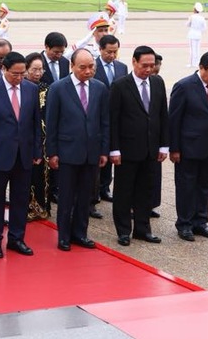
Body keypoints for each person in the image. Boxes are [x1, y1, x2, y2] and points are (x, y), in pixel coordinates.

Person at [0, 52, 42, 259]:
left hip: (24, 154)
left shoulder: (31, 89)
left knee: (20, 199)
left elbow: (34, 124)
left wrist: (37, 151)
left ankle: (16, 238)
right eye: (15, 74)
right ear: (4, 69)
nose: (19, 78)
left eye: (23, 73)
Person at [46, 49, 109, 251]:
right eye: (83, 67)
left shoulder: (100, 88)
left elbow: (104, 122)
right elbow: (51, 123)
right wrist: (52, 152)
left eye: (91, 67)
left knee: (85, 196)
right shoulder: (58, 88)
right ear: (72, 66)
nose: (88, 71)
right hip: (67, 151)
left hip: (91, 151)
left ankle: (80, 233)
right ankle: (63, 236)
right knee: (66, 197)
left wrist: (103, 150)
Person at [109, 45, 169, 247]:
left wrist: (164, 145)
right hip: (127, 150)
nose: (149, 69)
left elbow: (162, 115)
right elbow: (113, 120)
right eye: (144, 65)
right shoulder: (120, 85)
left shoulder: (158, 83)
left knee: (146, 190)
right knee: (124, 192)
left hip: (151, 149)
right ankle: (124, 230)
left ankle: (143, 229)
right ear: (134, 62)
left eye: (152, 66)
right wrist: (114, 149)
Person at [169, 51, 208, 242]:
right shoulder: (184, 86)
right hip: (188, 147)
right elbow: (174, 119)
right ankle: (184, 224)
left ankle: (200, 222)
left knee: (205, 186)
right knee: (186, 186)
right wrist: (174, 148)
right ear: (201, 67)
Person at [93, 34, 129, 203]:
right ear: (100, 50)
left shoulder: (122, 67)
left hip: (117, 119)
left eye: (115, 52)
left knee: (112, 152)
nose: (112, 55)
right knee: (99, 155)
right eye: (109, 52)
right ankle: (94, 190)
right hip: (97, 117)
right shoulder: (91, 66)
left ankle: (105, 188)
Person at [24, 52, 50, 220]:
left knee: (43, 175)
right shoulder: (23, 88)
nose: (38, 73)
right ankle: (27, 207)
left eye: (40, 69)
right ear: (26, 70)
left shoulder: (47, 88)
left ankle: (42, 206)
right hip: (27, 136)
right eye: (34, 69)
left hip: (44, 137)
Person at [150, 53, 165, 218]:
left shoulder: (158, 82)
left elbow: (163, 113)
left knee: (154, 175)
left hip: (155, 137)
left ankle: (150, 204)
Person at [186, 2, 207, 68]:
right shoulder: (202, 18)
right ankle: (197, 62)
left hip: (192, 34)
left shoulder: (192, 17)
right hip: (199, 34)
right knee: (197, 50)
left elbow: (187, 24)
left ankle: (192, 63)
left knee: (192, 50)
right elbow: (204, 28)